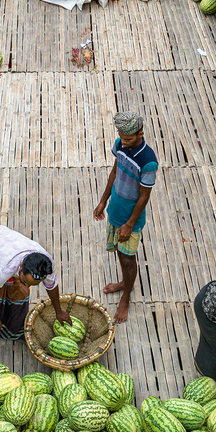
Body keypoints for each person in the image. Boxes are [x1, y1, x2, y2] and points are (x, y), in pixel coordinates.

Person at [0, 226, 71, 366]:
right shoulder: (3, 270)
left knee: (19, 293)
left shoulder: (45, 265)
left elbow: (51, 285)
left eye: (33, 284)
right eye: (25, 281)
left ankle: (13, 331)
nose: (29, 286)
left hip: (3, 245)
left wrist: (59, 311)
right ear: (20, 267)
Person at [94, 111, 158, 323]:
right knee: (120, 255)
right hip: (115, 211)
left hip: (131, 220)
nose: (124, 142)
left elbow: (144, 197)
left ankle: (126, 296)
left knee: (128, 258)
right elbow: (114, 172)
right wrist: (103, 201)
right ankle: (124, 282)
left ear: (140, 133)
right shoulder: (121, 145)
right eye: (122, 137)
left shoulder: (148, 162)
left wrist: (129, 224)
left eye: (129, 139)